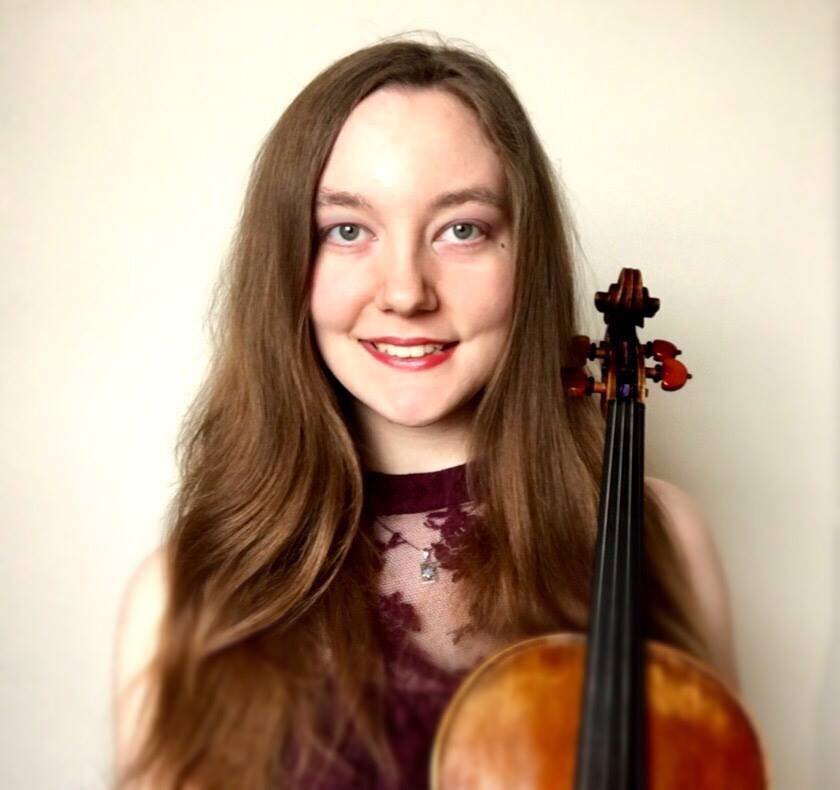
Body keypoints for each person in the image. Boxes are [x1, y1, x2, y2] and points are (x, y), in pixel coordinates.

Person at [113, 33, 738, 789]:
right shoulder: (182, 599)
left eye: (462, 229)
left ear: (526, 258)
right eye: (347, 230)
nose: (406, 292)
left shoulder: (658, 539)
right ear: (286, 265)